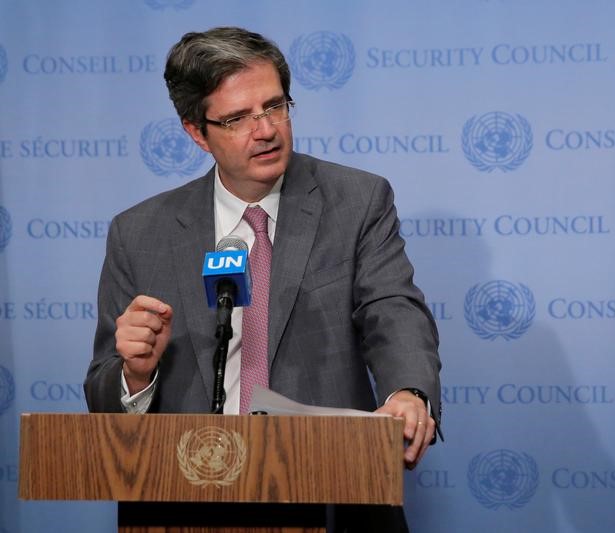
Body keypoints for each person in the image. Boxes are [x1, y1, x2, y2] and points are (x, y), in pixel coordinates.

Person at [84, 26, 441, 531]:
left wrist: (409, 391)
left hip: (329, 490)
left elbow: (393, 309)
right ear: (195, 131)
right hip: (182, 502)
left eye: (274, 106)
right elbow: (103, 395)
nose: (266, 129)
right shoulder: (139, 233)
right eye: (237, 118)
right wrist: (136, 374)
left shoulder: (357, 202)